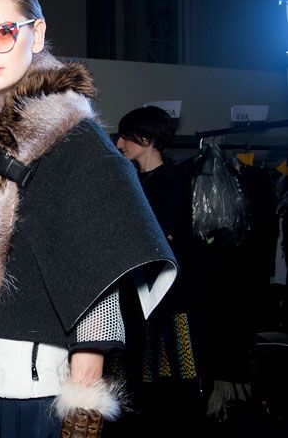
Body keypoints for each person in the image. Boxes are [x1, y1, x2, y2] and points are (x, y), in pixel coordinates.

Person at [0, 0, 178, 438]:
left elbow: (98, 263)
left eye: (2, 33)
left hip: (30, 383)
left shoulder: (75, 137)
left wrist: (85, 389)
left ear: (36, 33)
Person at [116, 106, 203, 436]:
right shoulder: (128, 179)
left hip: (170, 293)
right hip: (133, 291)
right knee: (137, 370)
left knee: (175, 369)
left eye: (128, 135)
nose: (121, 142)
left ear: (148, 138)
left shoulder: (179, 179)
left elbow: (169, 234)